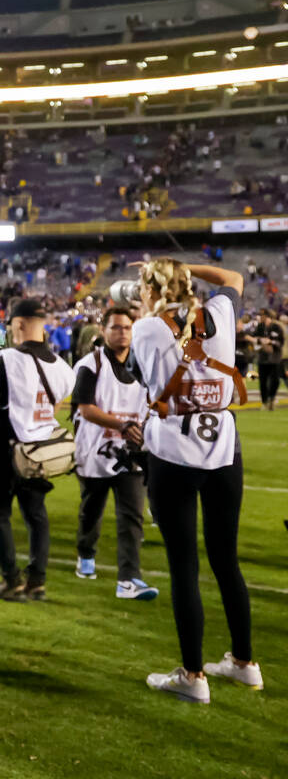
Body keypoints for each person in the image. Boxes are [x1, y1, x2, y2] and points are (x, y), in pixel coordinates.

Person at [129, 259, 262, 703]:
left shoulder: (147, 328)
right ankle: (245, 664)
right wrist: (187, 266)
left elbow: (140, 381)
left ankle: (193, 675)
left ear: (150, 289)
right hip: (224, 445)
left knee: (184, 565)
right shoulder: (220, 313)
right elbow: (233, 279)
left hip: (174, 449)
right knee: (226, 560)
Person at [0, 298, 75, 602]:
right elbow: (55, 404)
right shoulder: (61, 366)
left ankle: (11, 580)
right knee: (36, 515)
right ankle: (37, 581)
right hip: (41, 451)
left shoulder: (8, 359)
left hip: (7, 450)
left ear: (18, 324)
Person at [70, 307, 158, 600]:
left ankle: (129, 579)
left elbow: (152, 405)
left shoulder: (144, 367)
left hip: (130, 454)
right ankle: (85, 553)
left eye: (127, 328)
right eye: (116, 327)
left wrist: (144, 431)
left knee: (132, 516)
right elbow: (85, 407)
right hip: (94, 451)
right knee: (91, 511)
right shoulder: (89, 364)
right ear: (103, 331)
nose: (122, 333)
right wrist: (123, 424)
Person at [252, 308, 284, 410]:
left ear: (268, 316)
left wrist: (271, 342)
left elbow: (280, 342)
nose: (261, 317)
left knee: (275, 380)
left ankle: (272, 397)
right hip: (263, 358)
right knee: (262, 381)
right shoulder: (260, 327)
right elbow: (254, 338)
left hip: (275, 358)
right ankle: (264, 401)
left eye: (263, 315)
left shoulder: (277, 327)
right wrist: (260, 341)